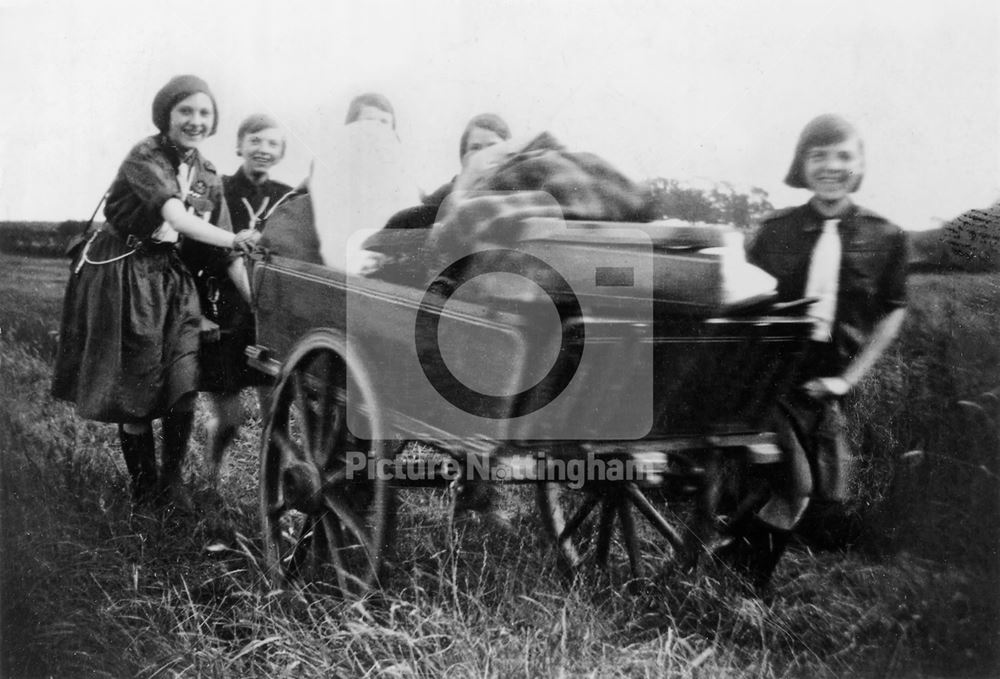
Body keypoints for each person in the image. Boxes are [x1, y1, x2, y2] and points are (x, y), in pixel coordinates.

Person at [51, 75, 259, 508]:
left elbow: (223, 251)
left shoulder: (207, 173)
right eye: (186, 111)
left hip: (171, 276)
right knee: (138, 390)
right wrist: (235, 238)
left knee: (183, 382)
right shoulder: (145, 156)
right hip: (126, 274)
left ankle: (172, 482)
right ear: (166, 114)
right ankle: (145, 492)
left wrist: (256, 301)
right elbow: (179, 219)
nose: (195, 120)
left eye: (204, 113)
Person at [721, 114, 908, 593]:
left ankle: (727, 562)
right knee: (796, 488)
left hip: (827, 382)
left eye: (843, 156)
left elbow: (892, 311)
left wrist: (848, 379)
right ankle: (744, 585)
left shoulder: (885, 238)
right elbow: (740, 297)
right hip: (769, 375)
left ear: (860, 164)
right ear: (801, 165)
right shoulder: (772, 231)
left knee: (817, 493)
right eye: (818, 155)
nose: (831, 167)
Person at [188, 114, 294, 487]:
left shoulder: (288, 196)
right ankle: (211, 478)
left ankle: (273, 494)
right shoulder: (220, 189)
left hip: (268, 318)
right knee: (229, 420)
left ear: (281, 152)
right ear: (239, 145)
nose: (263, 150)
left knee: (275, 418)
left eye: (272, 144)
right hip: (226, 310)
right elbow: (213, 251)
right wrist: (254, 299)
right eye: (256, 141)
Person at [422, 113, 512, 209]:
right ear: (464, 157)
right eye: (475, 148)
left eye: (493, 146)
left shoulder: (517, 185)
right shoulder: (446, 195)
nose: (483, 154)